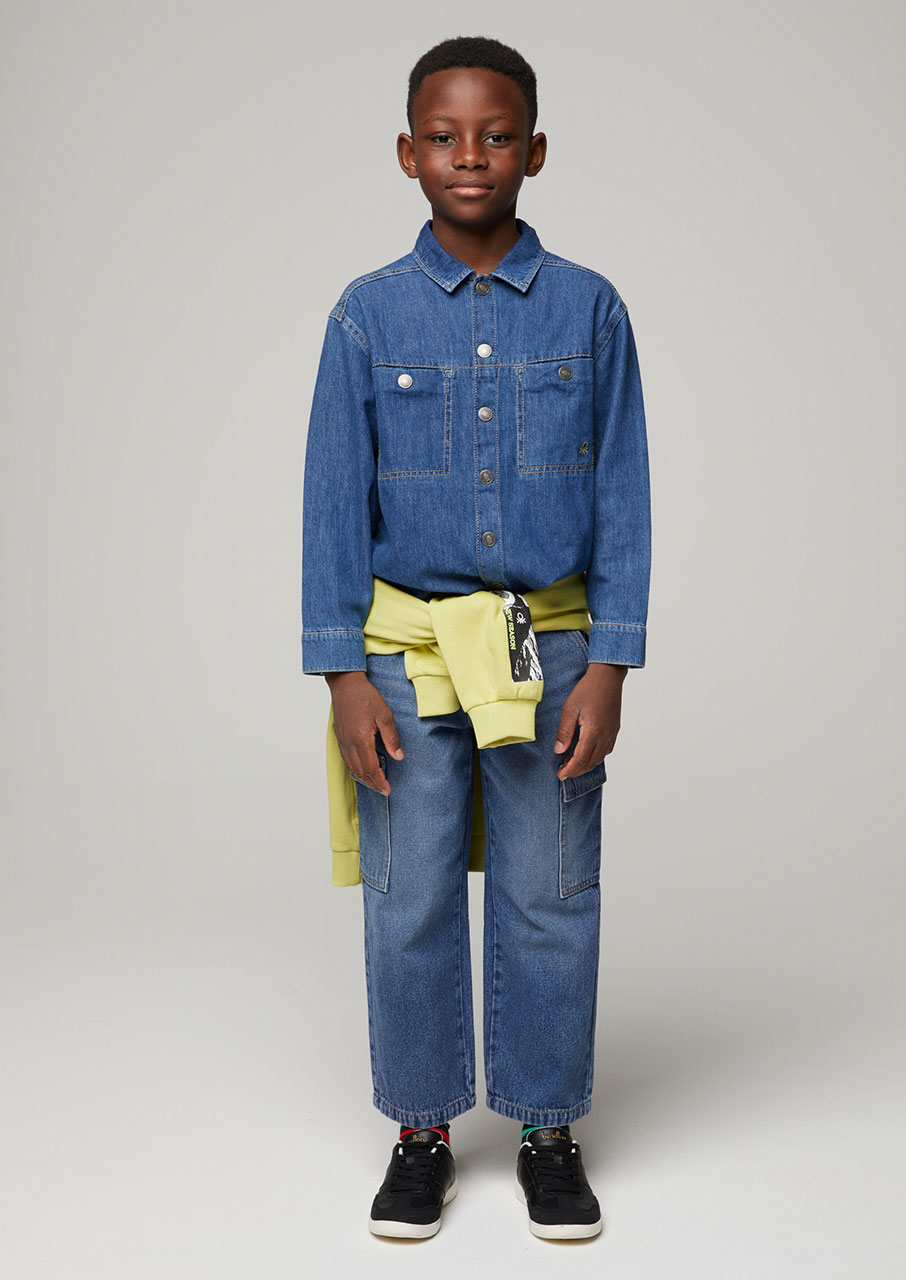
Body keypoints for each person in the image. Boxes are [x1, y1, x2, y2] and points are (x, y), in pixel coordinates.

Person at [301, 34, 651, 1241]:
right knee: (408, 893)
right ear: (407, 153)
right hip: (403, 660)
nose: (470, 155)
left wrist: (611, 661)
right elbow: (331, 503)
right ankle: (422, 1131)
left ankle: (548, 1127)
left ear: (534, 151)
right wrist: (343, 675)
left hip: (549, 655)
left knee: (551, 887)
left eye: (496, 135)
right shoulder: (366, 315)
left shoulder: (591, 310)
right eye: (444, 137)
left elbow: (623, 491)